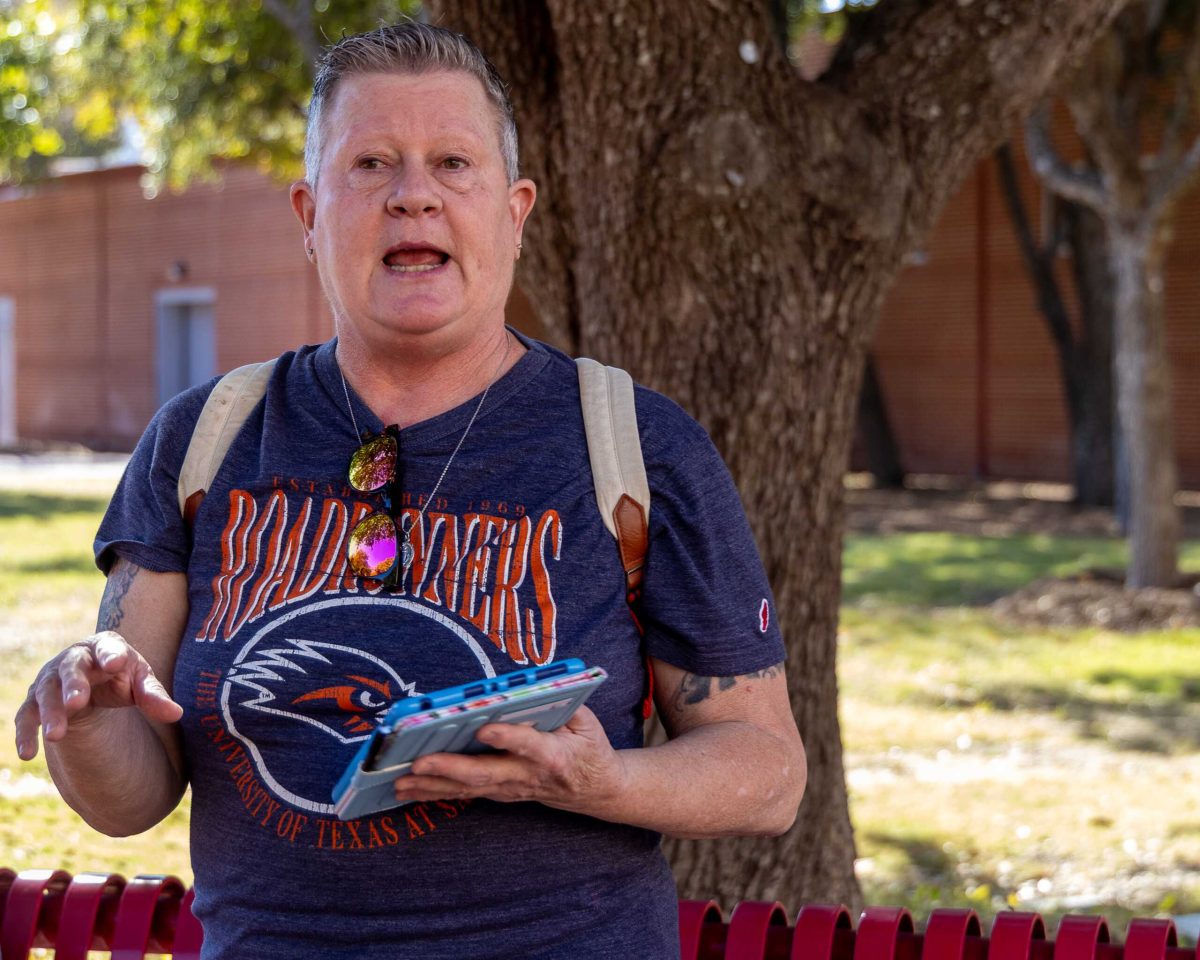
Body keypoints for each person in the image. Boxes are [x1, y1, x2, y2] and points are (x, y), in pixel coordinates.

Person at [14, 22, 806, 960]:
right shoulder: (205, 438)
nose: (413, 196)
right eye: (373, 164)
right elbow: (132, 797)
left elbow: (768, 773)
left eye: (453, 163)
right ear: (309, 214)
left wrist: (597, 782)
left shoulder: (636, 446)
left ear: (515, 212)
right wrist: (90, 714)